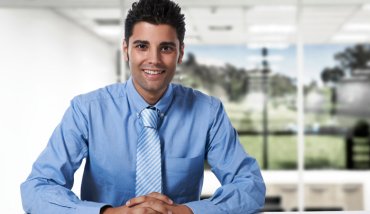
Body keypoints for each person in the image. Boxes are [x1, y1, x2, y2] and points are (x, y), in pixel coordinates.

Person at [20, 0, 266, 213]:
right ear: (126, 50)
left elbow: (250, 187)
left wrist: (185, 212)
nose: (154, 60)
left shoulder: (208, 112)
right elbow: (37, 189)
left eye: (166, 48)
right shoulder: (87, 110)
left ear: (180, 53)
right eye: (142, 46)